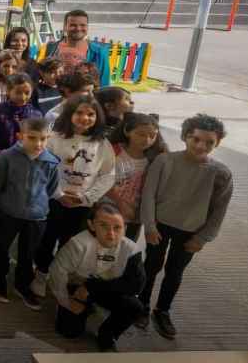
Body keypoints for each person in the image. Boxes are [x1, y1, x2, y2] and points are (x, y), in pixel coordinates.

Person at [137, 113, 233, 339]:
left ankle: (162, 310)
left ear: (217, 143)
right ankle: (141, 305)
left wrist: (203, 238)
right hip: (160, 225)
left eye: (210, 142)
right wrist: (149, 226)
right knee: (151, 265)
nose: (202, 145)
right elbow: (149, 194)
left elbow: (219, 210)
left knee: (175, 271)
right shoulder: (165, 161)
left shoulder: (221, 173)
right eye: (196, 139)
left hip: (191, 231)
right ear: (185, 137)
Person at [33, 95, 117, 300]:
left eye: (90, 114)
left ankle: (59, 274)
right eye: (79, 113)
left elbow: (108, 175)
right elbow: (42, 170)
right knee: (47, 238)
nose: (84, 118)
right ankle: (40, 274)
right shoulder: (54, 138)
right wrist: (59, 194)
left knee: (69, 242)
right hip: (54, 200)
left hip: (82, 204)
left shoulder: (102, 144)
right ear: (69, 114)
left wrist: (87, 197)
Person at [49, 201, 146, 352]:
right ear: (92, 225)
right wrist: (66, 301)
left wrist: (91, 286)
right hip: (76, 285)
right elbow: (57, 273)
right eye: (104, 226)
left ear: (125, 229)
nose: (111, 234)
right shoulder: (78, 244)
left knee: (135, 307)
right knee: (69, 332)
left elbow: (136, 285)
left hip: (100, 288)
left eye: (117, 227)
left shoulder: (132, 250)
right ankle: (80, 309)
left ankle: (108, 334)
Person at [0, 117, 59, 307]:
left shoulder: (51, 162)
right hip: (9, 213)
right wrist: (4, 205)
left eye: (43, 139)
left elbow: (51, 189)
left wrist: (39, 206)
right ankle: (0, 280)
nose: (38, 144)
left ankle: (22, 285)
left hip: (37, 216)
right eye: (32, 138)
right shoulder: (6, 157)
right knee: (1, 248)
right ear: (20, 136)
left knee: (27, 254)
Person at [106, 112, 166, 242]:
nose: (147, 140)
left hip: (135, 215)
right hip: (108, 208)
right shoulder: (113, 151)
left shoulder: (154, 159)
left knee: (128, 246)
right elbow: (103, 181)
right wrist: (121, 204)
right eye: (141, 134)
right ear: (127, 131)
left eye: (152, 135)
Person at [41, 10, 108, 87]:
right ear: (65, 27)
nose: (78, 28)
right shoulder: (52, 48)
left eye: (83, 25)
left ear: (87, 27)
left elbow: (104, 85)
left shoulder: (98, 53)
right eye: (73, 25)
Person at [0, 73, 42, 166]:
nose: (23, 97)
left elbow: (39, 140)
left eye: (27, 93)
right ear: (8, 91)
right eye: (18, 92)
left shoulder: (36, 115)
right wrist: (2, 155)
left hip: (26, 162)